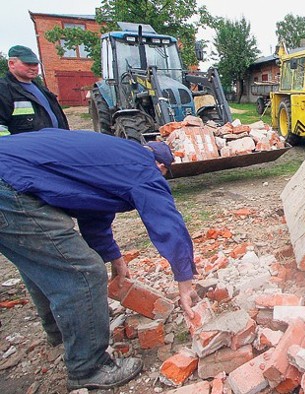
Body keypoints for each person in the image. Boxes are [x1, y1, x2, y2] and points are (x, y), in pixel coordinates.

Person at [0, 129, 200, 390]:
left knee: (44, 259)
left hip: (11, 175)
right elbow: (168, 225)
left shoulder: (118, 157)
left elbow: (92, 208)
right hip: (11, 186)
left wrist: (114, 256)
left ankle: (60, 332)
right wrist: (185, 281)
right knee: (84, 272)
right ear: (161, 166)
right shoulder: (145, 171)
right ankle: (88, 367)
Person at [0, 45, 69, 135]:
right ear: (11, 64)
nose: (33, 68)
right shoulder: (3, 89)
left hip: (52, 144)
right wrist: (10, 147)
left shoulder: (41, 89)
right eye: (28, 64)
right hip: (26, 148)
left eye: (35, 64)